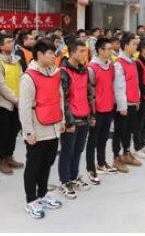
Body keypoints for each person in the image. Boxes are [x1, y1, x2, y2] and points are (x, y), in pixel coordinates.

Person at [19, 39, 64, 219]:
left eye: (54, 53)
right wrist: (28, 132)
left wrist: (61, 120)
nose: (54, 56)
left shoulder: (54, 73)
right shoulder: (28, 77)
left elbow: (59, 96)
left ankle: (43, 194)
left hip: (53, 125)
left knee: (47, 162)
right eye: (50, 53)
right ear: (39, 54)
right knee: (34, 165)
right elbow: (24, 107)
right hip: (37, 129)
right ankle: (31, 200)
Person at [58, 39, 92, 199]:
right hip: (71, 118)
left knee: (78, 150)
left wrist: (91, 114)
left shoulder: (84, 70)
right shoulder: (63, 72)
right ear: (71, 53)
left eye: (85, 51)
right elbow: (62, 99)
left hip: (84, 115)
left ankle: (74, 176)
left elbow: (89, 93)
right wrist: (69, 121)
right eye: (81, 51)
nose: (84, 54)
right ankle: (64, 181)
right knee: (67, 151)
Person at [0, 33, 25, 175]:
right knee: (2, 133)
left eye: (12, 41)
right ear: (1, 46)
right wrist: (16, 100)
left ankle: (9, 156)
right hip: (3, 104)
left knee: (13, 131)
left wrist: (21, 98)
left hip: (17, 102)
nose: (12, 44)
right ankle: (1, 160)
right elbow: (1, 85)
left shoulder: (16, 61)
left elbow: (22, 79)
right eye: (8, 42)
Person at [86, 37, 118, 183]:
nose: (112, 51)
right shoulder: (91, 68)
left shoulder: (110, 66)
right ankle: (90, 168)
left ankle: (101, 162)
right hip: (97, 110)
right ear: (100, 50)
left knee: (103, 138)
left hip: (108, 107)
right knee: (92, 140)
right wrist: (91, 113)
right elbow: (89, 92)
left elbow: (111, 85)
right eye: (109, 49)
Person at [112, 32, 142, 172]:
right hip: (123, 105)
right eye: (133, 44)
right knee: (119, 131)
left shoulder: (132, 61)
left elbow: (135, 82)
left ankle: (126, 152)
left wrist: (137, 99)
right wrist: (122, 106)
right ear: (125, 45)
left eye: (136, 44)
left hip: (132, 102)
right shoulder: (119, 63)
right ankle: (116, 157)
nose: (136, 47)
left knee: (129, 130)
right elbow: (118, 87)